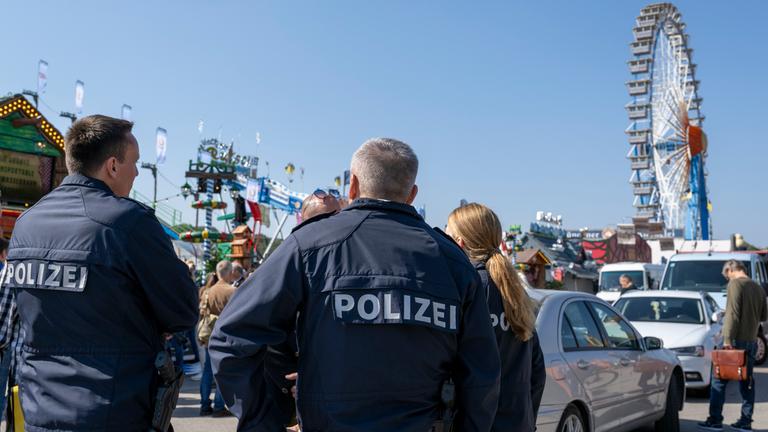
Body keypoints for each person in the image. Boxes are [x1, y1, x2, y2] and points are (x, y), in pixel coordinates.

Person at [209, 138, 500, 431]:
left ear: (353, 186)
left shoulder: (310, 246)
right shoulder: (453, 263)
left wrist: (264, 423)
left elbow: (231, 339)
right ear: (412, 194)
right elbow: (482, 376)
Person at [0, 115, 198, 430]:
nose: (136, 173)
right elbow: (183, 313)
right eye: (134, 163)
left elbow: (12, 320)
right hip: (113, 410)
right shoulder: (129, 224)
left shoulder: (26, 224)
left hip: (39, 411)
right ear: (113, 166)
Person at [446, 203, 545, 432]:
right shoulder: (515, 291)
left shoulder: (467, 289)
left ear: (459, 243)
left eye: (448, 236)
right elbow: (537, 371)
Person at [699, 260, 767, 431]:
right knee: (747, 382)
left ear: (730, 270)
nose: (727, 279)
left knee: (718, 380)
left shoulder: (735, 284)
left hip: (734, 340)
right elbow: (764, 316)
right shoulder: (758, 287)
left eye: (726, 276)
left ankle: (715, 420)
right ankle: (745, 422)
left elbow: (733, 315)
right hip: (751, 340)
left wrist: (727, 340)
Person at [199, 260, 237, 417]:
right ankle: (219, 405)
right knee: (222, 371)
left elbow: (202, 313)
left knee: (207, 370)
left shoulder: (208, 291)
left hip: (209, 335)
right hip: (225, 336)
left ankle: (204, 405)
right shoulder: (233, 291)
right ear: (230, 273)